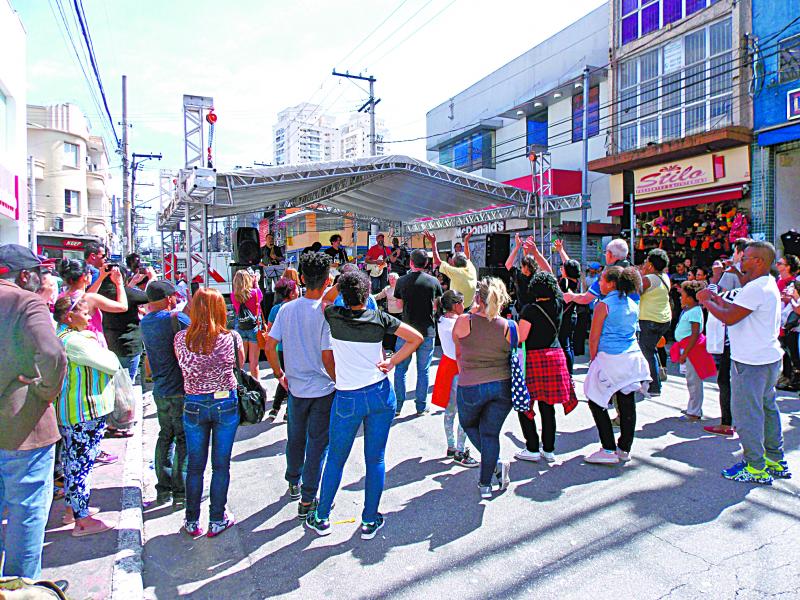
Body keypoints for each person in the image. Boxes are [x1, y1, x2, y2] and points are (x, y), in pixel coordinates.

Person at [306, 270, 422, 539]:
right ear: (367, 293)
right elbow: (415, 337)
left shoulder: (333, 316)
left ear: (344, 295)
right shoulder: (379, 318)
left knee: (336, 457)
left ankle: (322, 516)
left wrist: (340, 284)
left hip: (348, 396)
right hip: (380, 392)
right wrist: (392, 361)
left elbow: (325, 298)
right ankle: (370, 519)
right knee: (376, 458)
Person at [698, 241, 791, 484]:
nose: (741, 261)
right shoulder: (766, 283)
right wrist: (716, 298)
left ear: (759, 260)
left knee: (747, 415)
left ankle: (755, 466)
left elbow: (730, 317)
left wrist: (707, 301)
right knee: (768, 408)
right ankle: (774, 458)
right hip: (768, 358)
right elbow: (738, 308)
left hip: (750, 362)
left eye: (746, 257)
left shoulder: (755, 288)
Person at [0, 245, 67, 579]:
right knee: (26, 512)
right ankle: (21, 586)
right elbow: (53, 355)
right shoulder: (26, 302)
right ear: (25, 275)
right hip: (22, 426)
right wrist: (43, 391)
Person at [265, 252, 336, 519]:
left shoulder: (286, 309)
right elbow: (328, 355)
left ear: (302, 278)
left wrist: (278, 373)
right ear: (327, 280)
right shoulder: (326, 312)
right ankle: (308, 498)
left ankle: (293, 480)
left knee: (295, 437)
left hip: (295, 387)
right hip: (323, 388)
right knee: (318, 443)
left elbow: (270, 344)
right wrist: (337, 380)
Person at [174, 288, 244, 537]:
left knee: (195, 465)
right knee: (221, 465)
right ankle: (217, 518)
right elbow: (240, 363)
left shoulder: (181, 338)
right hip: (225, 402)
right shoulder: (231, 337)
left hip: (193, 402)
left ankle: (192, 520)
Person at [53, 295, 119, 536]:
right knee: (81, 465)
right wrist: (95, 341)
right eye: (85, 313)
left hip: (71, 411)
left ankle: (73, 510)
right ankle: (82, 521)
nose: (90, 317)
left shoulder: (61, 336)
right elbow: (111, 363)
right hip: (84, 412)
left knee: (73, 462)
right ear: (69, 317)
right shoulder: (76, 342)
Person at [452, 277, 514, 499]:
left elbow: (457, 352)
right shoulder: (508, 326)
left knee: (469, 424)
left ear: (477, 297)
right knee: (490, 433)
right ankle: (485, 483)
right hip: (502, 385)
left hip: (470, 383)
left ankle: (495, 465)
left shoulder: (463, 321)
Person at [583, 266, 651, 465]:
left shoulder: (603, 305)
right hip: (631, 358)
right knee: (627, 401)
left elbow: (594, 337)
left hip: (609, 357)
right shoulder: (632, 303)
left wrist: (593, 360)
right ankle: (624, 448)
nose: (600, 283)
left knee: (595, 400)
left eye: (602, 280)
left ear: (612, 283)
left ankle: (608, 448)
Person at [515, 272, 578, 463]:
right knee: (547, 405)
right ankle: (549, 448)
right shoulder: (558, 304)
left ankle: (532, 447)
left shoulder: (530, 310)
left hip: (535, 358)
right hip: (556, 356)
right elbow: (556, 284)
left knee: (525, 403)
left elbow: (521, 337)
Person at [140, 280, 190, 507]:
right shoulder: (175, 319)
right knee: (183, 440)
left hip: (160, 388)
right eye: (174, 297)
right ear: (169, 298)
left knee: (165, 436)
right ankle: (181, 492)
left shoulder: (145, 323)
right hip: (179, 387)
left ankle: (163, 489)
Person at [393, 249, 443, 416]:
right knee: (424, 370)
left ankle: (398, 406)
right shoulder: (434, 281)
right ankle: (421, 406)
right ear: (426, 264)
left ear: (411, 263)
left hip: (406, 330)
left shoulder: (401, 281)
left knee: (400, 369)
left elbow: (399, 306)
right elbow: (436, 306)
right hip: (427, 330)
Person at [431, 290, 478, 467]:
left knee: (450, 410)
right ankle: (460, 450)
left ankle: (451, 446)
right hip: (459, 368)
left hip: (447, 366)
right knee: (465, 412)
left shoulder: (442, 320)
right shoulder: (457, 323)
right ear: (456, 304)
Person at [57, 258, 128, 348]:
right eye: (90, 272)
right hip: (91, 343)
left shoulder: (61, 297)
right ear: (84, 276)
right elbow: (123, 307)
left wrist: (101, 277)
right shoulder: (90, 298)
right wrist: (119, 284)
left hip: (69, 342)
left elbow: (87, 295)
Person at [99, 266, 152, 384]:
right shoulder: (129, 294)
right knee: (127, 385)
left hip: (107, 344)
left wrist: (132, 283)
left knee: (111, 384)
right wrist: (152, 278)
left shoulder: (98, 293)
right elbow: (149, 297)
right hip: (128, 346)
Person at [673, 280, 711, 420]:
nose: (680, 297)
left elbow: (695, 333)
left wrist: (687, 353)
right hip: (687, 348)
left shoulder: (695, 311)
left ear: (690, 297)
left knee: (694, 382)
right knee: (691, 380)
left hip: (693, 350)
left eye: (682, 295)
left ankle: (694, 412)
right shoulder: (689, 310)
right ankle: (693, 407)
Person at [638, 249, 673, 396]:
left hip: (650, 319)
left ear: (651, 265)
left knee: (648, 351)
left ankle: (654, 386)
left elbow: (635, 291)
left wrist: (640, 274)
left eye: (647, 262)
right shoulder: (665, 277)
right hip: (663, 319)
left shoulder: (649, 279)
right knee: (652, 349)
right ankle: (659, 374)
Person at [564, 239, 637, 305]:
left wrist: (571, 296)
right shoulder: (635, 273)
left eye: (606, 253)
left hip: (611, 317)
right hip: (632, 317)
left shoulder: (608, 275)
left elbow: (585, 298)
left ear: (609, 254)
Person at [266, 278, 299, 420]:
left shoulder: (275, 309)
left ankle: (275, 407)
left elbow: (269, 330)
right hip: (294, 349)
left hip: (280, 349)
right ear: (291, 293)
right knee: (292, 380)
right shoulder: (297, 308)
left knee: (284, 378)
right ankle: (288, 411)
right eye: (297, 289)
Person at [425, 229, 477, 309]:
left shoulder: (456, 272)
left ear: (454, 264)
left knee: (438, 303)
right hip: (469, 305)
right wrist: (466, 241)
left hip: (458, 307)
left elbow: (437, 261)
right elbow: (468, 256)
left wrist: (433, 242)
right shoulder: (470, 267)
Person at [231, 269, 264, 379]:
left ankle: (240, 384)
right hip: (253, 328)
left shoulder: (233, 296)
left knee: (240, 361)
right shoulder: (255, 293)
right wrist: (256, 284)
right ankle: (257, 385)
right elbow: (260, 298)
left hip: (240, 327)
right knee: (254, 363)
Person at [505, 233, 538, 314]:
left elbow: (508, 265)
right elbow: (508, 265)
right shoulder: (521, 274)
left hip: (530, 312)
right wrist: (518, 247)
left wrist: (518, 247)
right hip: (527, 312)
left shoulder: (534, 277)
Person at [374, 272, 403, 353]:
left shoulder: (402, 288)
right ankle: (389, 348)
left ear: (398, 279)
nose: (392, 280)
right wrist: (369, 297)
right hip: (390, 313)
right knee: (389, 333)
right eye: (390, 279)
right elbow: (378, 296)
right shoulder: (387, 289)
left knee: (399, 333)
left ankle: (398, 350)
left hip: (400, 314)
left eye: (394, 279)